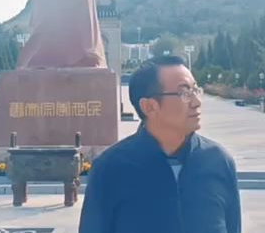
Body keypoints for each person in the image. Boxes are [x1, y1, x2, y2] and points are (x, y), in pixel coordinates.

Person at [79, 55, 241, 233]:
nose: (196, 102)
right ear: (149, 107)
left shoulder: (218, 162)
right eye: (184, 93)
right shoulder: (110, 169)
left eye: (195, 91)